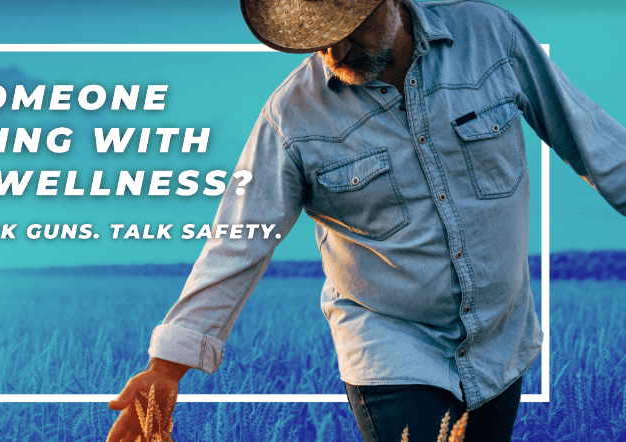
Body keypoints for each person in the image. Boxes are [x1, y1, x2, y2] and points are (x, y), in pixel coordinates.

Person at [106, 0, 626, 441]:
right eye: (317, 37)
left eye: (348, 25)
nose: (336, 50)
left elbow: (593, 139)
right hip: (388, 344)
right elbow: (238, 239)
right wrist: (165, 368)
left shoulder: (490, 37)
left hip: (499, 342)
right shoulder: (291, 117)